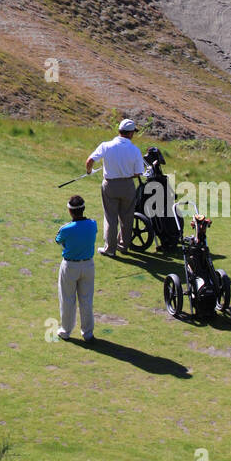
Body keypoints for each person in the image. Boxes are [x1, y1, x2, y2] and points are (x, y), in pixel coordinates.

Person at [86, 120, 144, 257]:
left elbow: (90, 161)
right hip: (128, 185)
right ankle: (123, 246)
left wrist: (89, 171)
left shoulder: (106, 146)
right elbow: (138, 173)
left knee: (111, 217)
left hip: (110, 185)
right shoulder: (135, 150)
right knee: (127, 217)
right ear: (130, 133)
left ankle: (110, 249)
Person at [54, 194, 98, 342]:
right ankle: (88, 333)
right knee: (86, 300)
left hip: (70, 266)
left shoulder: (66, 229)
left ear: (70, 211)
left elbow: (59, 240)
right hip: (88, 265)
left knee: (67, 299)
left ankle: (66, 331)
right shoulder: (93, 224)